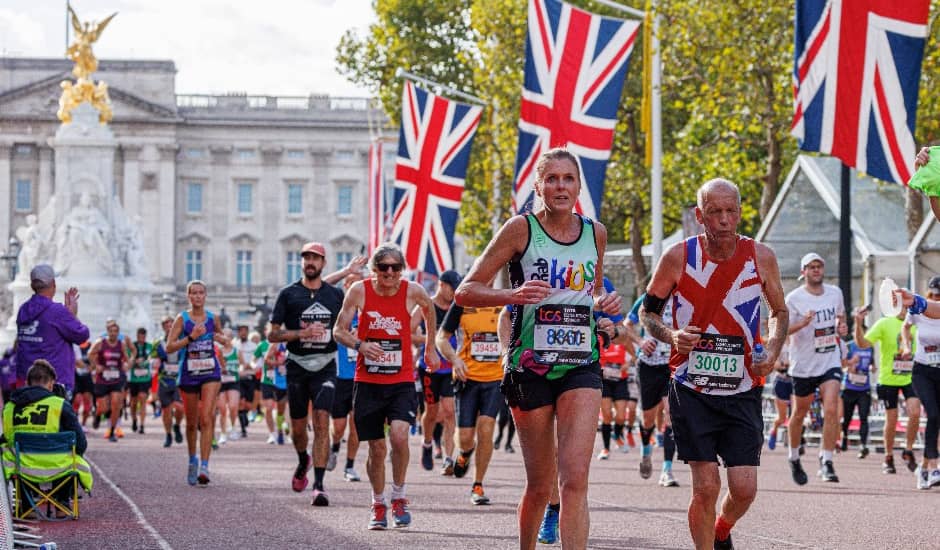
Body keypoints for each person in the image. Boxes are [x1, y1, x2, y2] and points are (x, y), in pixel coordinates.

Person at [454, 148, 620, 549]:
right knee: (541, 484)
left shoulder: (595, 232)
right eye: (552, 179)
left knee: (575, 478)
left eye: (568, 178)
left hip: (581, 362)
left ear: (580, 185)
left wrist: (604, 312)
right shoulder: (520, 229)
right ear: (538, 186)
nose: (561, 186)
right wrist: (514, 294)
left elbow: (591, 293)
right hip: (531, 366)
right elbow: (465, 291)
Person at [642, 178, 787, 550]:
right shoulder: (677, 257)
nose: (723, 219)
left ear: (740, 213)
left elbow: (779, 311)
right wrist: (672, 336)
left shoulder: (761, 256)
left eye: (730, 211)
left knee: (744, 488)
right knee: (706, 486)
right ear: (699, 215)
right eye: (714, 212)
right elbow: (648, 313)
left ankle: (722, 528)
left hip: (742, 388)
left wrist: (771, 348)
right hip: (691, 386)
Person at [334, 243, 439, 530]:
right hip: (368, 381)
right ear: (375, 270)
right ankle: (378, 503)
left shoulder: (412, 291)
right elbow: (338, 330)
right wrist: (361, 345)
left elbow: (430, 309)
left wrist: (430, 348)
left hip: (401, 380)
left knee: (400, 437)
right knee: (377, 449)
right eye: (383, 267)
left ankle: (400, 496)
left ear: (401, 269)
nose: (390, 273)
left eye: (395, 267)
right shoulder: (359, 291)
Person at [268, 242, 345, 507]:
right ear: (301, 263)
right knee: (298, 429)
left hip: (325, 365)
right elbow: (272, 333)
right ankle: (303, 460)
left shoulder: (335, 296)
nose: (310, 262)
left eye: (315, 258)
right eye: (306, 258)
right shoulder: (289, 295)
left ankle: (319, 485)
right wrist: (300, 333)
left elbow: (345, 327)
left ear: (323, 264)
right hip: (297, 365)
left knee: (322, 421)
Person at [784, 252, 847, 485]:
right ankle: (793, 457)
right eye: (811, 267)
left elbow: (841, 317)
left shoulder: (835, 293)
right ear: (804, 272)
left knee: (831, 409)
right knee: (799, 413)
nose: (816, 270)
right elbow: (782, 331)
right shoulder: (793, 299)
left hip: (829, 359)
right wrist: (802, 323)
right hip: (803, 364)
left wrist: (842, 327)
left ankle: (827, 460)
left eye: (819, 266)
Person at [436, 290, 504, 505]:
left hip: (495, 378)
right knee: (465, 437)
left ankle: (478, 484)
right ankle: (465, 453)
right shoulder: (462, 302)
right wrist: (454, 359)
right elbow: (441, 338)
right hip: (467, 378)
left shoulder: (504, 302)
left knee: (486, 427)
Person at [164, 280, 230, 486]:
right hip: (189, 372)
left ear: (205, 295)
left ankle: (204, 465)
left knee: (206, 418)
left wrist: (222, 339)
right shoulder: (181, 319)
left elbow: (219, 336)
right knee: (191, 423)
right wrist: (190, 338)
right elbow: (169, 347)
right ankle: (192, 459)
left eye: (201, 293)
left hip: (210, 371)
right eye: (194, 293)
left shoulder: (212, 317)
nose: (198, 296)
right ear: (188, 296)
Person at [1, 359, 92, 504]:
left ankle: (26, 504)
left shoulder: (9, 407)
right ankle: (62, 503)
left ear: (27, 383)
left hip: (22, 468)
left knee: (9, 449)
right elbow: (81, 444)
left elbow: (7, 438)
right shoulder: (60, 404)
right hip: (58, 467)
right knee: (72, 450)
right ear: (51, 384)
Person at [852, 300, 921, 474]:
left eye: (907, 305)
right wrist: (858, 324)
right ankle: (888, 456)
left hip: (910, 378)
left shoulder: (916, 323)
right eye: (902, 305)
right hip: (888, 379)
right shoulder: (884, 323)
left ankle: (908, 450)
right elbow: (863, 344)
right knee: (892, 419)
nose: (905, 309)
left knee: (915, 412)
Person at [627, 290, 681, 486]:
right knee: (647, 418)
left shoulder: (686, 299)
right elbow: (627, 325)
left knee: (671, 414)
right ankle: (646, 451)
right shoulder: (648, 298)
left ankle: (667, 470)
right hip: (648, 366)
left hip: (672, 366)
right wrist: (641, 342)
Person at [14, 264, 89, 395]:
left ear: (32, 286)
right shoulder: (56, 312)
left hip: (26, 381)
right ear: (53, 284)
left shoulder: (23, 310)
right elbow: (82, 335)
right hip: (53, 383)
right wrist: (72, 315)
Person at [413, 270, 460, 475]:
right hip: (429, 367)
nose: (454, 292)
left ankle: (449, 459)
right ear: (441, 285)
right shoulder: (426, 305)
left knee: (450, 411)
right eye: (452, 287)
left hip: (450, 368)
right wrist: (430, 340)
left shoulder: (457, 307)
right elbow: (408, 331)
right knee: (431, 412)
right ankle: (427, 443)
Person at [900, 278, 940, 489]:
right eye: (932, 294)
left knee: (937, 420)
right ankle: (934, 467)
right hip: (922, 370)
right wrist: (907, 346)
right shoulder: (917, 312)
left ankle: (923, 468)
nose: (935, 298)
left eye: (939, 295)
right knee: (932, 415)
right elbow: (904, 328)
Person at [330, 271, 365, 483]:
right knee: (339, 426)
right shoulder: (338, 313)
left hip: (361, 377)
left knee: (356, 425)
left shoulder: (369, 313)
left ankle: (350, 466)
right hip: (340, 375)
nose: (355, 288)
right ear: (345, 286)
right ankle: (334, 447)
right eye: (351, 283)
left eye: (358, 284)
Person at [88, 320, 131, 442]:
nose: (113, 334)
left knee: (116, 404)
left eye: (115, 331)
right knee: (104, 407)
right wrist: (96, 365)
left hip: (116, 378)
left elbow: (126, 358)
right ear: (108, 332)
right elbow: (90, 354)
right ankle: (97, 415)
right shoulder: (100, 343)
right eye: (111, 331)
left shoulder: (121, 344)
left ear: (118, 333)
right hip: (102, 379)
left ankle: (112, 431)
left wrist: (126, 365)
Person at [841, 316, 874, 459]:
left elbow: (871, 363)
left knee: (863, 418)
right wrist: (850, 365)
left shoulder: (869, 347)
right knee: (846, 418)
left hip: (864, 388)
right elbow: (841, 364)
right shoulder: (849, 346)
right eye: (858, 333)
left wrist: (873, 367)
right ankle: (844, 437)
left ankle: (862, 445)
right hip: (849, 388)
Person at [152, 316, 184, 448]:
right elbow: (152, 359)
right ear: (163, 327)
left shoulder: (183, 341)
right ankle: (168, 434)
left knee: (180, 407)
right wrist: (155, 362)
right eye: (166, 325)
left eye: (172, 324)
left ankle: (176, 425)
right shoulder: (158, 343)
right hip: (164, 380)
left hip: (179, 379)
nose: (169, 327)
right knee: (166, 410)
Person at [217, 328, 240, 444]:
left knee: (233, 406)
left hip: (233, 381)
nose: (226, 339)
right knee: (222, 409)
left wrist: (240, 370)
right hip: (220, 382)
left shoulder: (236, 351)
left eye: (228, 336)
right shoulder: (217, 351)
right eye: (224, 336)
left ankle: (233, 427)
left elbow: (243, 365)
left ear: (232, 338)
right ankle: (223, 433)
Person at [128, 327, 154, 434]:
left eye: (143, 336)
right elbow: (128, 359)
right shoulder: (132, 346)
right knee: (133, 402)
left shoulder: (149, 346)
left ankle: (142, 425)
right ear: (137, 336)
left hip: (145, 378)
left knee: (143, 399)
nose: (141, 338)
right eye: (139, 336)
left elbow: (151, 358)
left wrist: (146, 362)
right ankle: (134, 419)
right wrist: (135, 361)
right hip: (134, 379)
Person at [767, 346, 791, 451]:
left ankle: (797, 443)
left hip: (796, 381)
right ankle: (774, 430)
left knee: (797, 414)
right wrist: (786, 364)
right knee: (782, 418)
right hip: (781, 382)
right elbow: (775, 366)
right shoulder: (778, 343)